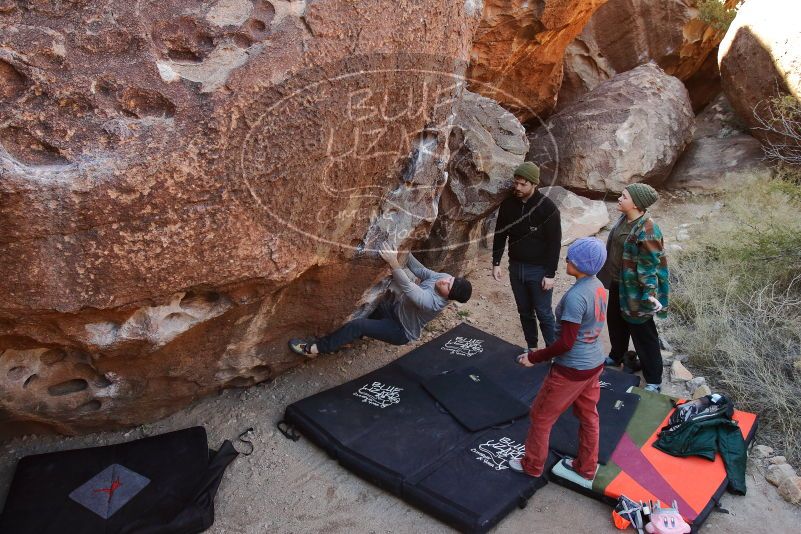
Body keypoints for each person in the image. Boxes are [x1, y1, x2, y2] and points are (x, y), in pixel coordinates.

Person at [508, 237, 608, 482]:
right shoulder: (599, 286)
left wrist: (534, 357)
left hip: (571, 369)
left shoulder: (576, 297)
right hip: (594, 363)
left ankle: (531, 465)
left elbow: (565, 343)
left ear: (581, 265)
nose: (566, 260)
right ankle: (586, 467)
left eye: (571, 258)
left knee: (541, 417)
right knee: (589, 416)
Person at [288, 243, 472, 356]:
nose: (445, 280)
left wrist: (393, 262)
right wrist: (405, 251)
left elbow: (408, 286)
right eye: (450, 279)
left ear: (448, 296)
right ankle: (347, 338)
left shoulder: (432, 303)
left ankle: (315, 350)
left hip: (400, 330)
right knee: (375, 303)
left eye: (448, 285)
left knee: (358, 325)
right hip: (393, 310)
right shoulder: (444, 278)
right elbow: (421, 271)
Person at [597, 183, 669, 393]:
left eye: (624, 197)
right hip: (619, 283)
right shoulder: (624, 219)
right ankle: (616, 356)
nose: (619, 199)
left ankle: (654, 379)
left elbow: (650, 265)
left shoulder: (648, 229)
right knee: (616, 322)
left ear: (636, 204)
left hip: (637, 291)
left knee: (643, 334)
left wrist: (649, 294)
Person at [492, 162, 561, 351]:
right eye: (516, 183)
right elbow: (500, 233)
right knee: (524, 311)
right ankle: (532, 348)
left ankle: (552, 351)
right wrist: (496, 262)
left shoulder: (548, 208)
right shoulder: (508, 205)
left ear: (533, 184)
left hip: (539, 270)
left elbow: (555, 243)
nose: (518, 188)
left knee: (544, 313)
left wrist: (550, 274)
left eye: (523, 184)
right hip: (516, 268)